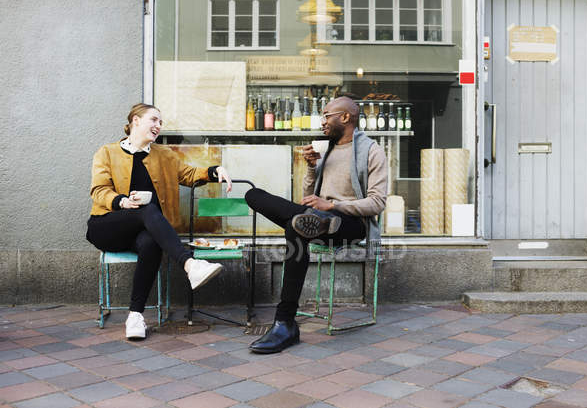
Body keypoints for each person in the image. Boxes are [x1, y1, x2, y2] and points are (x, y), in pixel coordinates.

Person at [245, 96, 387, 353]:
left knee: (298, 225)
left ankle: (285, 323)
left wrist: (333, 206)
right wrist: (311, 168)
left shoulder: (372, 150)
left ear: (345, 117)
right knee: (254, 196)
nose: (322, 121)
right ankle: (285, 322)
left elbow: (377, 202)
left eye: (326, 115)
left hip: (350, 224)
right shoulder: (326, 150)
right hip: (317, 219)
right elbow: (308, 197)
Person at [86, 103, 232, 340]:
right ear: (135, 121)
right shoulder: (107, 152)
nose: (158, 126)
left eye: (161, 123)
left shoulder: (165, 155)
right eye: (153, 120)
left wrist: (215, 171)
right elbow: (99, 190)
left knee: (151, 241)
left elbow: (189, 174)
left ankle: (135, 316)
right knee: (148, 210)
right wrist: (122, 202)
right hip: (107, 225)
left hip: (143, 230)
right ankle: (189, 264)